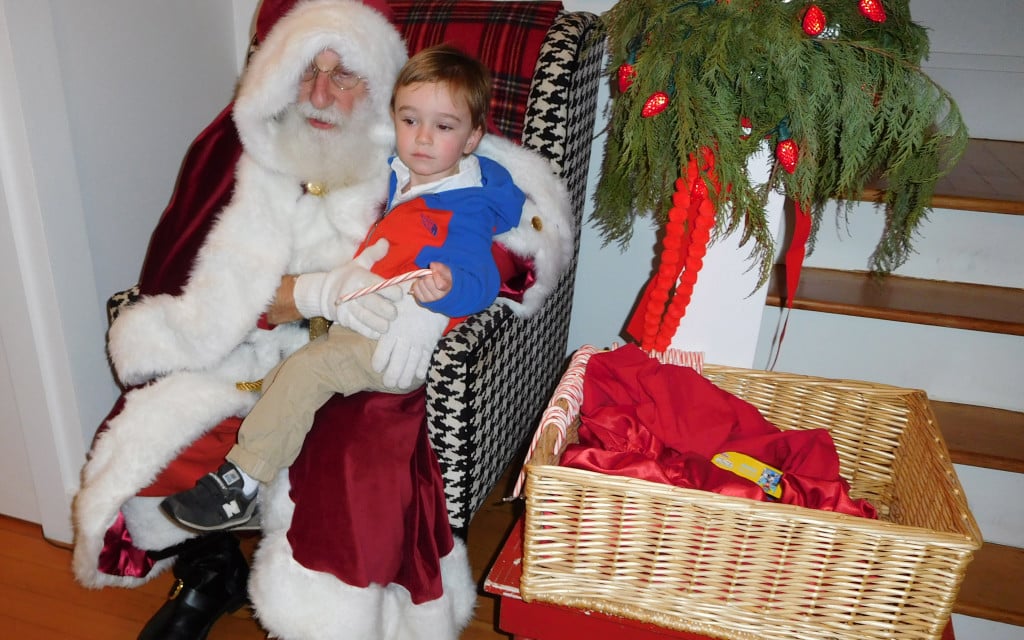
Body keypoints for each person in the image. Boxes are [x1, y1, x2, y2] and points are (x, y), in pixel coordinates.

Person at [71, 1, 572, 638]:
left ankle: (328, 619)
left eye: (344, 74)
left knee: (351, 457)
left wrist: (430, 311)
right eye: (307, 70)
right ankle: (208, 570)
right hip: (250, 346)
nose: (319, 92)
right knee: (160, 421)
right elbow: (197, 282)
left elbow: (516, 239)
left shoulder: (418, 154)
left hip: (361, 357)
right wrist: (312, 294)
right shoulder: (239, 155)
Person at [159, 45, 525, 532]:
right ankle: (273, 460)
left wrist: (448, 289)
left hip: (397, 346)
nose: (421, 139)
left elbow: (483, 275)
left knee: (306, 371)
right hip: (359, 322)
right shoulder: (402, 173)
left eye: (443, 127)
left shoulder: (463, 205)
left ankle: (242, 482)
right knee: (286, 380)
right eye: (410, 120)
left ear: (473, 136)